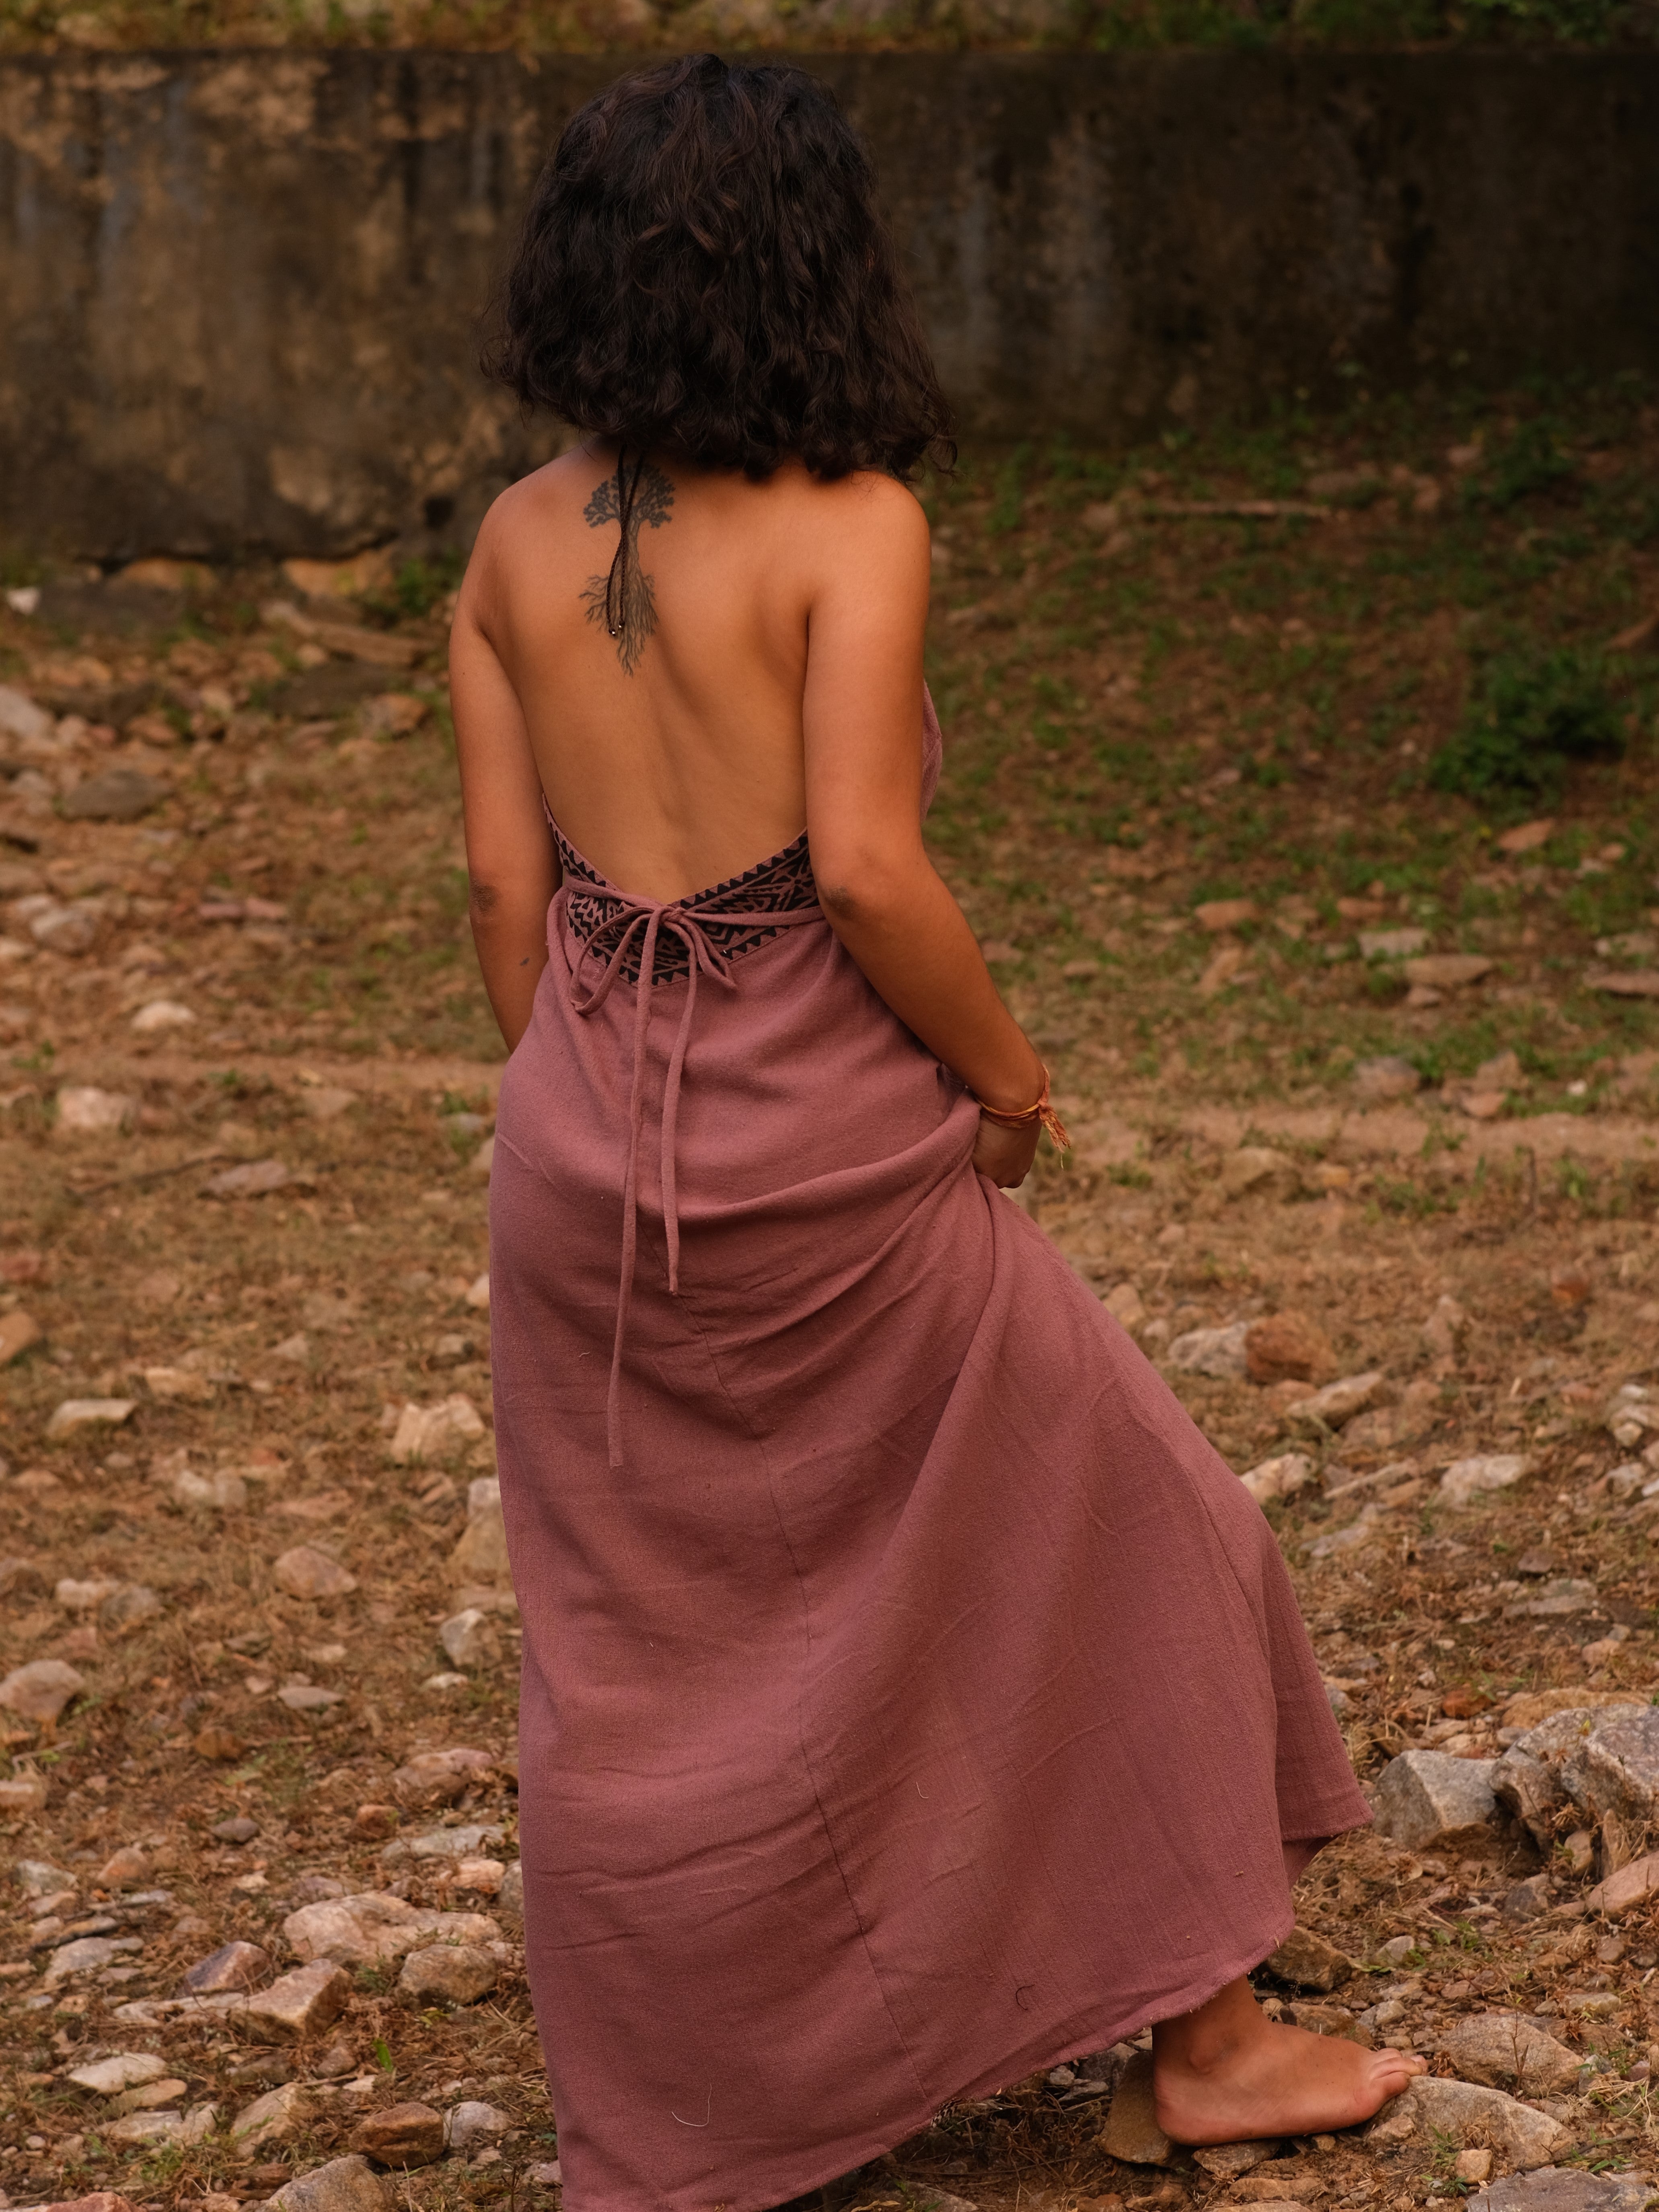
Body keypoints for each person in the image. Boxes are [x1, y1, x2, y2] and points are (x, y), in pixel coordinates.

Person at [450, 53, 1424, 2212]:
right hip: (832, 1155)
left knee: (649, 1644)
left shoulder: (511, 540)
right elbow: (870, 873)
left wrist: (603, 1125)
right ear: (814, 264)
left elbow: (511, 900)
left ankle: (695, 2125)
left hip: (585, 1170)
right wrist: (1010, 1086)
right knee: (1151, 1526)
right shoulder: (855, 527)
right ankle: (1211, 2044)